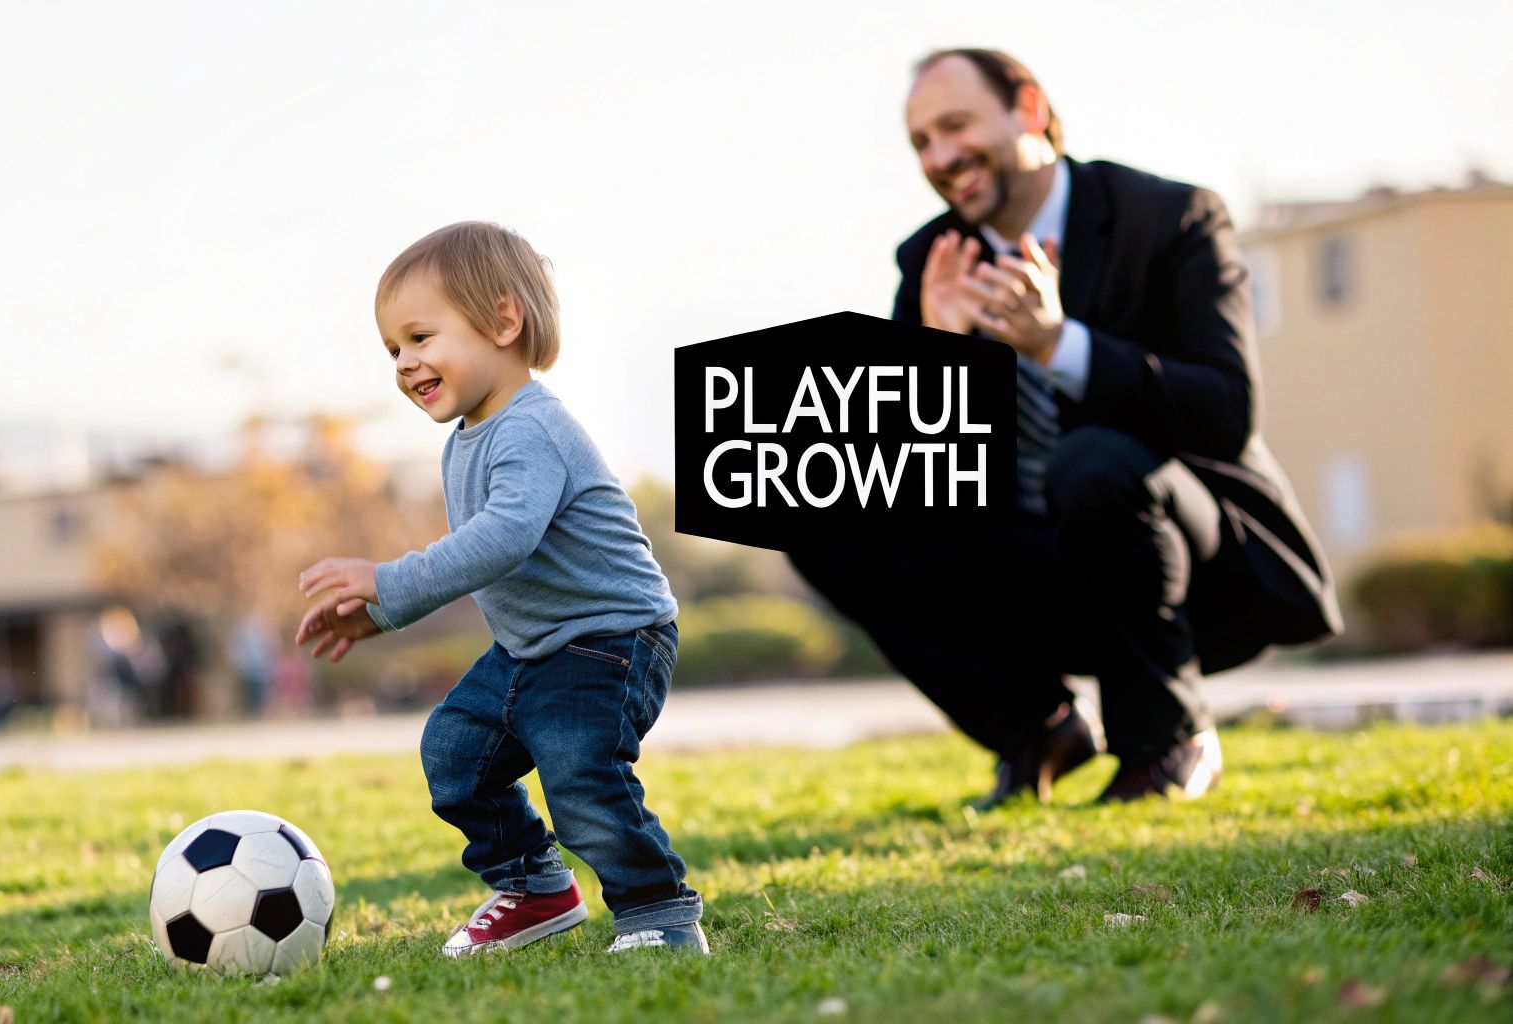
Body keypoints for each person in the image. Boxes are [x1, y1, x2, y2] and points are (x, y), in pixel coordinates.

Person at [789, 49, 1341, 806]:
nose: (941, 158)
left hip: (1190, 558)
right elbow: (906, 490)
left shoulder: (1171, 218)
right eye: (921, 142)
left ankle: (1164, 740)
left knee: (1093, 460)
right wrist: (936, 362)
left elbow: (1224, 410)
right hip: (1034, 565)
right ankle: (1037, 729)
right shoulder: (932, 259)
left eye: (955, 126)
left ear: (1030, 110)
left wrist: (1058, 345)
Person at [295, 221, 706, 955]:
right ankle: (534, 886)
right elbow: (486, 559)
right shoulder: (466, 440)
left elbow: (503, 539)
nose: (404, 363)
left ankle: (658, 913)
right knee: (455, 755)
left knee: (582, 779)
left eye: (420, 337)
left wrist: (388, 580)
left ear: (504, 321)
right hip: (530, 648)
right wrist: (381, 614)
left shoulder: (531, 429)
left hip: (612, 638)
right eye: (392, 349)